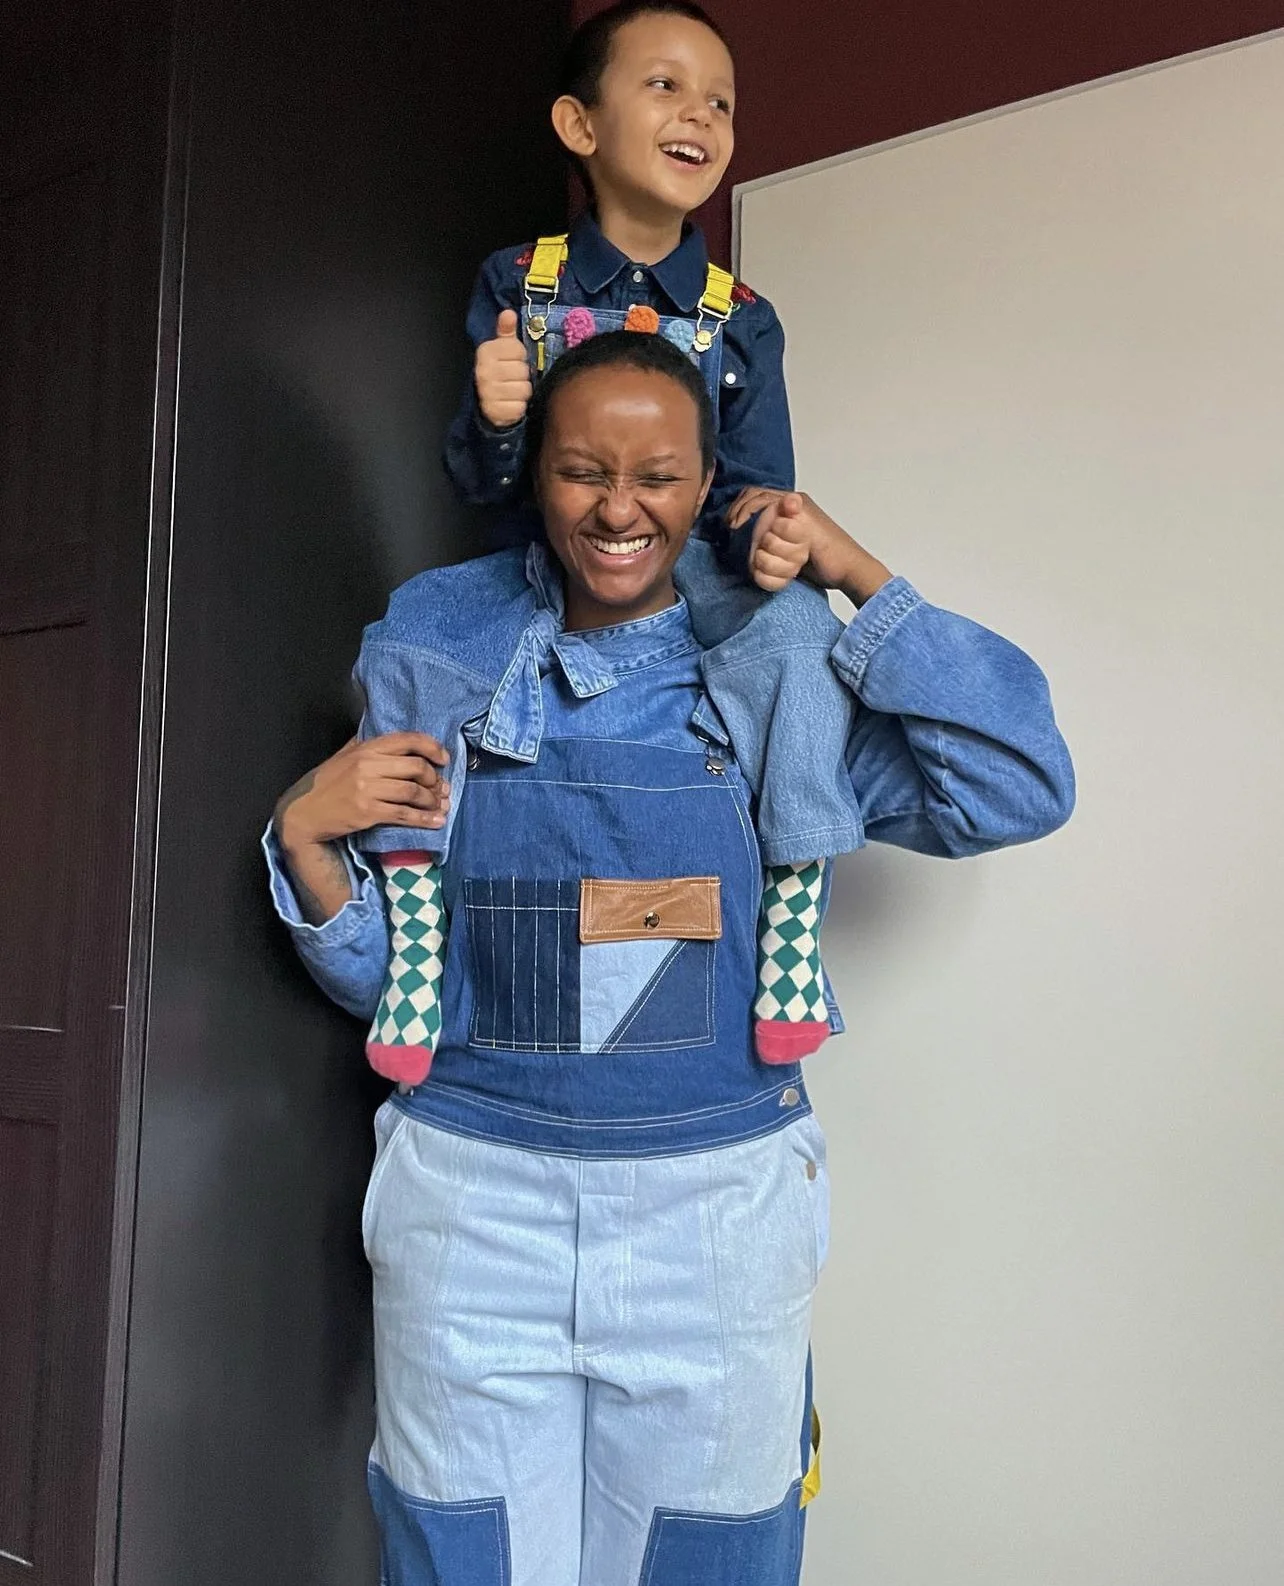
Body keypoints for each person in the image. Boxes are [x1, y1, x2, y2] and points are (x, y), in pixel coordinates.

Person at [266, 331, 1075, 1586]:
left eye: (659, 474)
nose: (620, 507)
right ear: (537, 473)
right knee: (458, 1555)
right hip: (472, 1201)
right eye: (585, 469)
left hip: (716, 1213)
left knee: (712, 1558)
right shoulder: (444, 661)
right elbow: (396, 985)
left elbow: (1016, 781)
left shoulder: (776, 678)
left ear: (711, 484)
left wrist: (858, 573)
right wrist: (310, 842)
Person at [371, 0, 865, 1081]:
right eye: (665, 84)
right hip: (540, 561)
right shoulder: (522, 282)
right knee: (409, 629)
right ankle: (415, 922)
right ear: (578, 123)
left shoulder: (743, 318)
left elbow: (751, 489)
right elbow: (480, 483)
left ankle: (794, 905)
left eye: (721, 99)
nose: (700, 113)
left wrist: (771, 544)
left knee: (797, 642)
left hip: (688, 576)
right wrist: (499, 419)